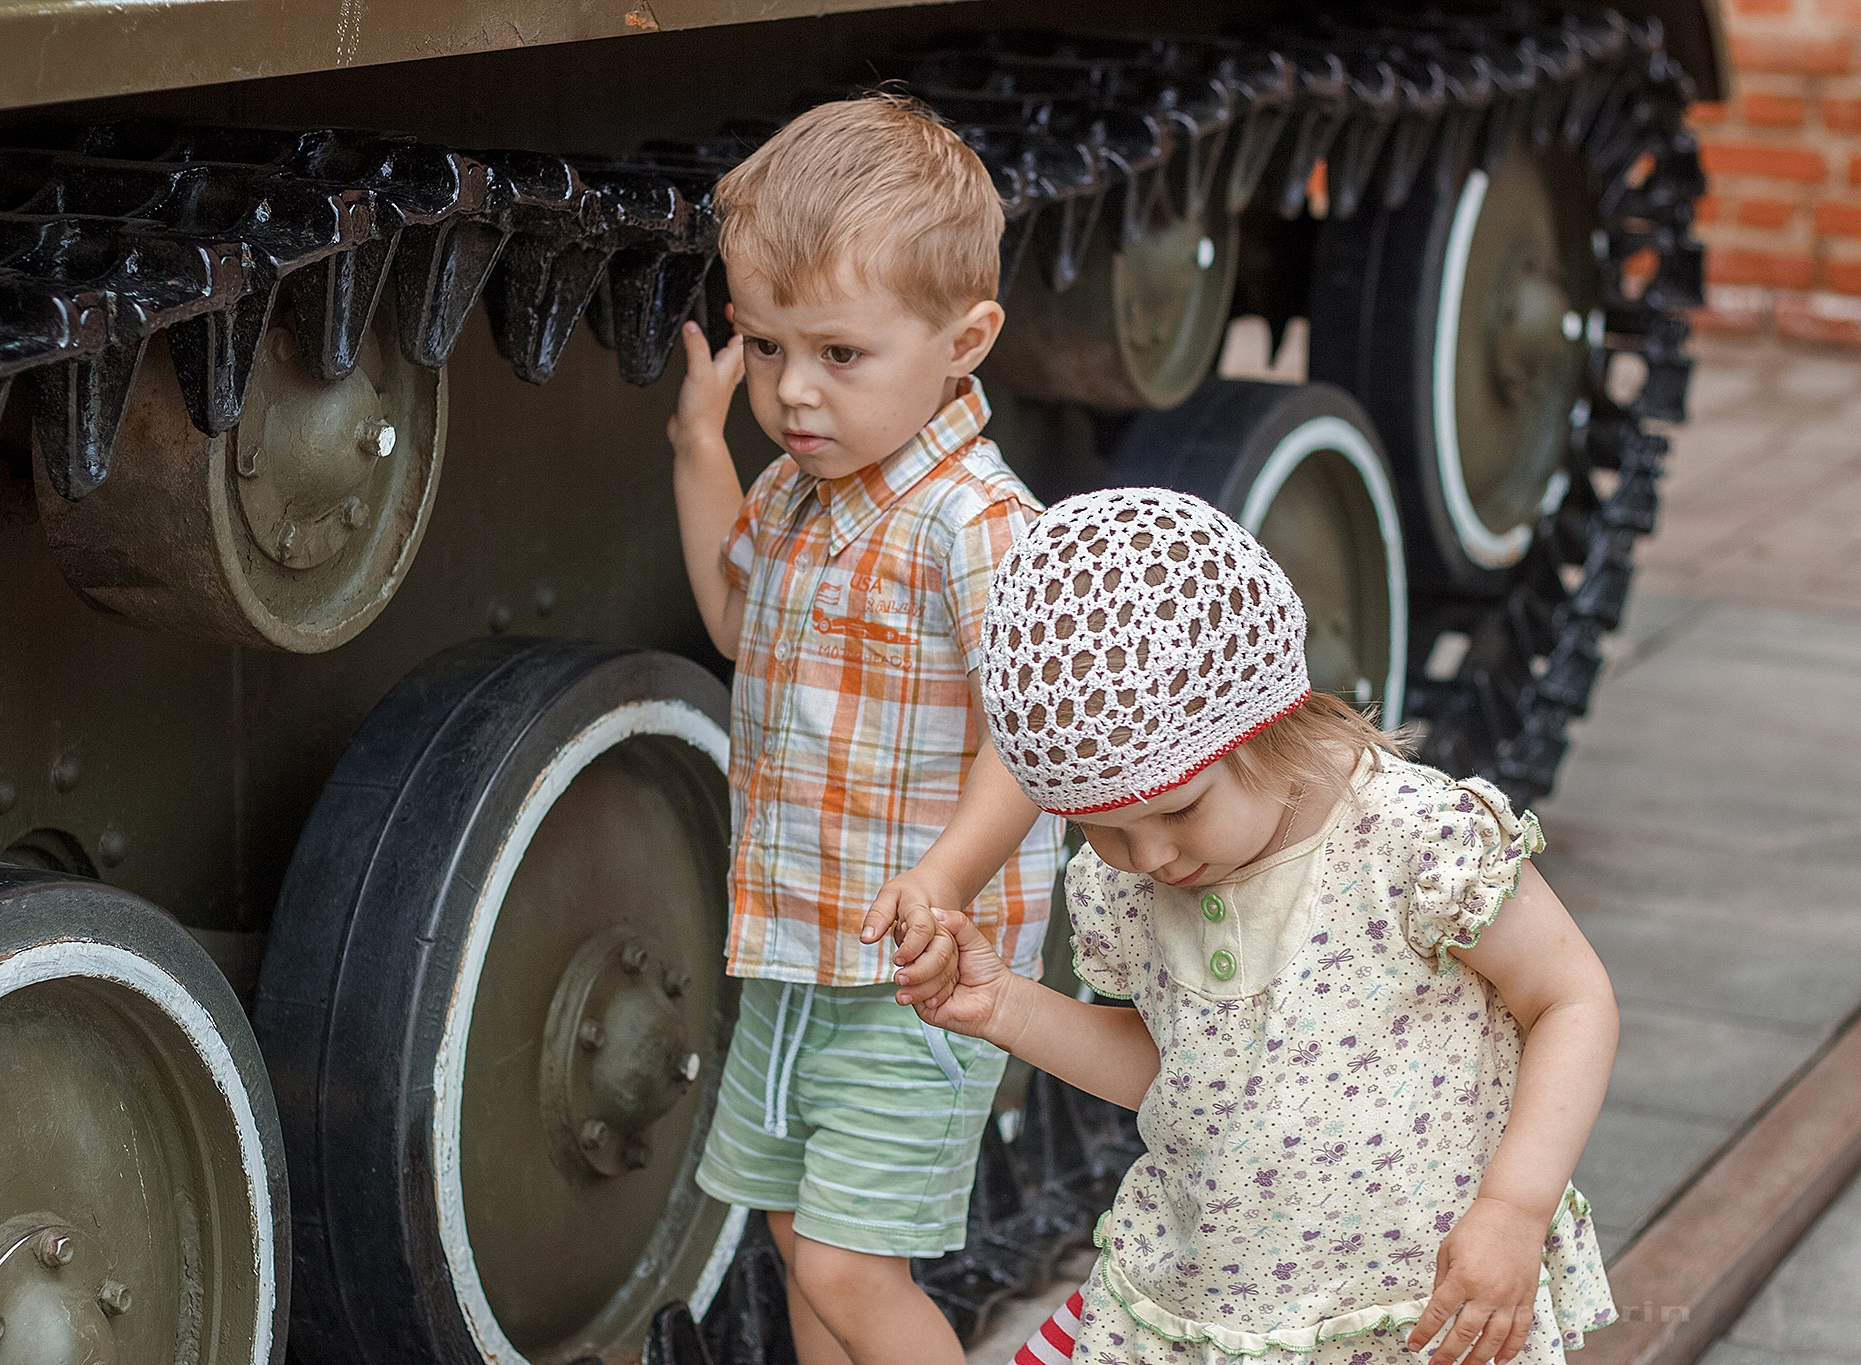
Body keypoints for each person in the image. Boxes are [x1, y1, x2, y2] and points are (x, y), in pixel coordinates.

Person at [898, 488, 1620, 1365]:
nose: (1151, 855)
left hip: (1404, 1310)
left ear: (1267, 725)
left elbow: (1570, 999)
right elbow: (1177, 1071)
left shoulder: (1409, 841)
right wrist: (1003, 1008)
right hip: (1212, 1309)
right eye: (1101, 827)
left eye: (1178, 810)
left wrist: (1513, 1207)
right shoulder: (1130, 885)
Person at [666, 91, 1065, 1365]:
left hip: (921, 971)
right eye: (765, 346)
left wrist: (945, 878)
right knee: (798, 1243)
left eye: (839, 355)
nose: (791, 392)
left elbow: (1031, 736)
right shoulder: (795, 490)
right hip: (794, 939)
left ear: (965, 339)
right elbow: (735, 621)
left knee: (847, 1259)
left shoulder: (973, 522)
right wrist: (695, 447)